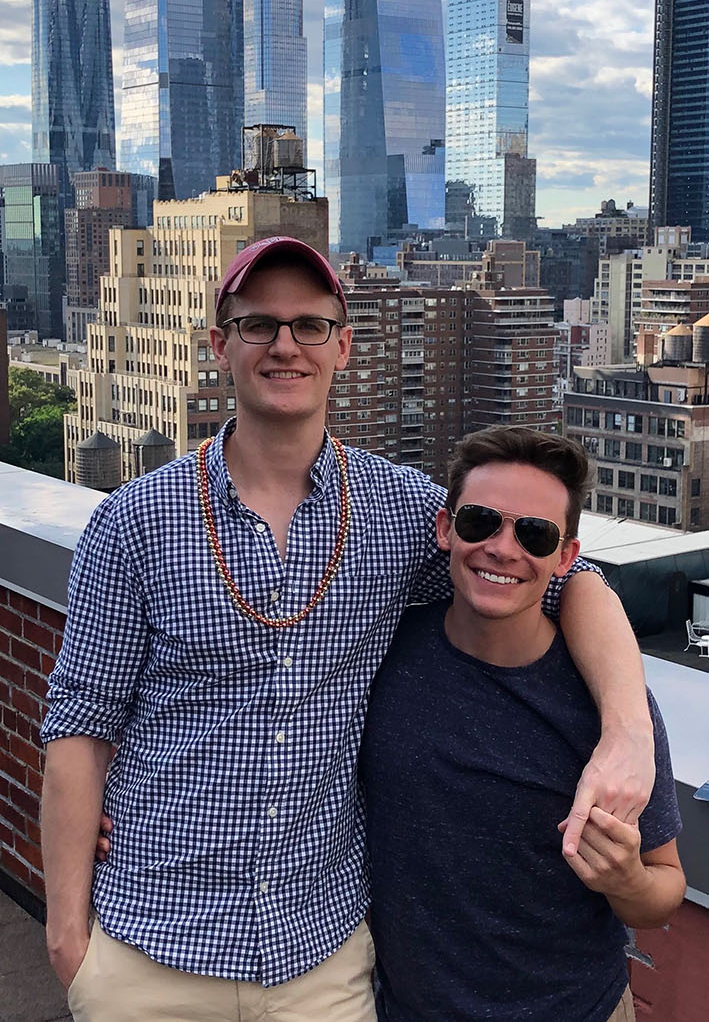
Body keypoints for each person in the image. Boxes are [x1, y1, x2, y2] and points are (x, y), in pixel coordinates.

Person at [41, 237, 656, 1022]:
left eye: (310, 324)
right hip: (149, 944)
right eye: (258, 324)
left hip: (319, 956)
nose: (285, 345)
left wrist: (628, 729)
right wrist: (68, 938)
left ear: (344, 346)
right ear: (218, 344)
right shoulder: (131, 521)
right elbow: (79, 725)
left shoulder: (400, 512)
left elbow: (562, 575)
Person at [361, 427, 685, 1022]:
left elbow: (663, 889)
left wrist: (626, 880)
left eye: (534, 534)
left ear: (565, 557)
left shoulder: (608, 702)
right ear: (445, 529)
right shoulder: (381, 652)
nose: (503, 549)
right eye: (481, 521)